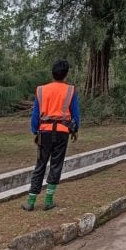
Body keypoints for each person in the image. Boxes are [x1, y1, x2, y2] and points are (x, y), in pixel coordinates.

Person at [21, 59, 80, 211]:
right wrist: (75, 130)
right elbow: (75, 114)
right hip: (62, 132)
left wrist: (35, 131)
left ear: (52, 74)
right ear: (66, 74)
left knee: (40, 164)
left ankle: (31, 201)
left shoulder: (41, 90)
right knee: (56, 164)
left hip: (44, 131)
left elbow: (35, 114)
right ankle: (48, 201)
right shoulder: (70, 90)